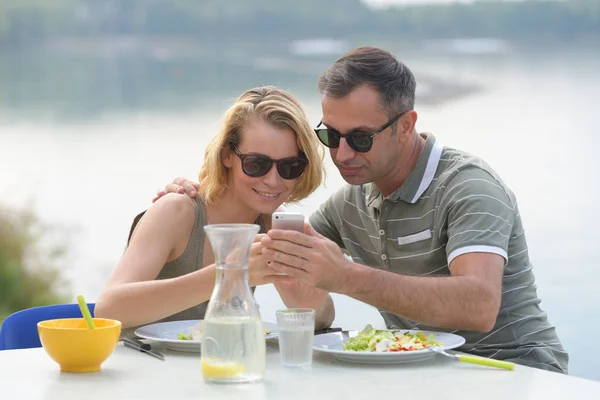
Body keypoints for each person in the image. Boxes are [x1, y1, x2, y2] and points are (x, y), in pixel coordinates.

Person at [155, 47, 568, 373]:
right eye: (330, 135)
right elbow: (281, 249)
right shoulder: (351, 201)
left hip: (516, 371)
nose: (342, 153)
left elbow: (479, 306)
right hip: (424, 373)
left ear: (406, 125)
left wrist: (346, 276)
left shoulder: (468, 188)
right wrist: (200, 198)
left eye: (360, 138)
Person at [94, 86, 334, 334]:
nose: (273, 180)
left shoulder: (273, 221)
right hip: (144, 366)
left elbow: (322, 319)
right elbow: (108, 309)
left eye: (290, 166)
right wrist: (231, 273)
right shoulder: (176, 210)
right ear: (226, 156)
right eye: (256, 164)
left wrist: (298, 287)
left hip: (223, 368)